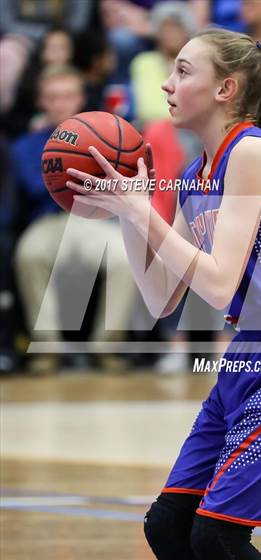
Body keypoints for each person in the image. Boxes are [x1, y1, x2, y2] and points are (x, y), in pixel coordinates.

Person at [67, 28, 261, 560]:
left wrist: (139, 214)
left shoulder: (249, 151)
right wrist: (134, 209)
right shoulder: (196, 174)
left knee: (217, 538)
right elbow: (158, 298)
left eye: (182, 71)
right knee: (168, 526)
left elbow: (219, 283)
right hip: (253, 348)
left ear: (225, 88)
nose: (167, 85)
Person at [13, 65, 136, 375]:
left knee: (126, 258)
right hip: (49, 221)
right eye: (53, 97)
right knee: (28, 254)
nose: (60, 103)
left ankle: (106, 347)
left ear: (80, 99)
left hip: (95, 221)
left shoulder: (107, 140)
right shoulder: (25, 146)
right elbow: (35, 187)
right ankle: (47, 348)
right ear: (42, 101)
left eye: (67, 96)